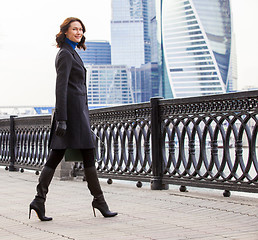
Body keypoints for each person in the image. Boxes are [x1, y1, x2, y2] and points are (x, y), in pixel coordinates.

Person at [29, 17, 117, 221]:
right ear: (65, 32)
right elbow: (61, 87)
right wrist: (62, 119)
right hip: (72, 116)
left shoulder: (72, 53)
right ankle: (98, 201)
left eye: (81, 29)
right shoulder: (65, 54)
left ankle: (39, 201)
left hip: (77, 114)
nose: (78, 32)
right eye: (74, 29)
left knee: (61, 155)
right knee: (81, 153)